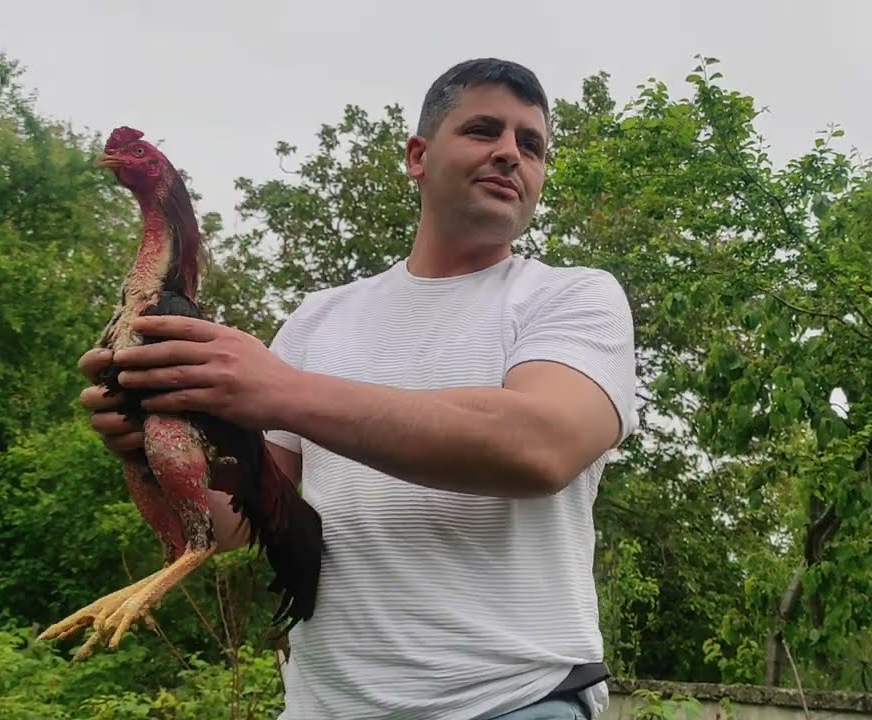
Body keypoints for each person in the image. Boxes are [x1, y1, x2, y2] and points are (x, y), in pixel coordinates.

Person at [78, 57, 638, 720]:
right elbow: (238, 522)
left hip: (512, 700)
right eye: (484, 130)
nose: (509, 154)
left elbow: (538, 446)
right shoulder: (320, 317)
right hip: (324, 707)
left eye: (532, 144)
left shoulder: (573, 298)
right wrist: (148, 449)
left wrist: (279, 391)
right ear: (418, 156)